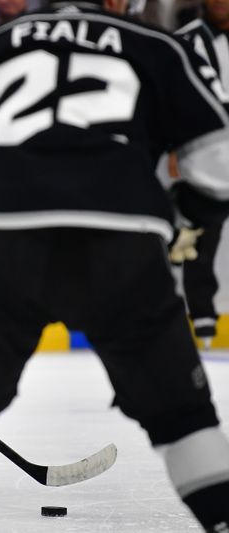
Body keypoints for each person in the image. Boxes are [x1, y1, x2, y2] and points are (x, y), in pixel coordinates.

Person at [0, 0, 229, 530]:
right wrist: (173, 227)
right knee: (183, 417)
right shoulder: (157, 46)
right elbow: (217, 160)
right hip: (123, 245)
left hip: (4, 241)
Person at [171, 0, 229, 348]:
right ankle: (202, 317)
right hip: (209, 151)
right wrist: (177, 152)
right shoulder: (187, 40)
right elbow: (178, 99)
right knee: (198, 239)